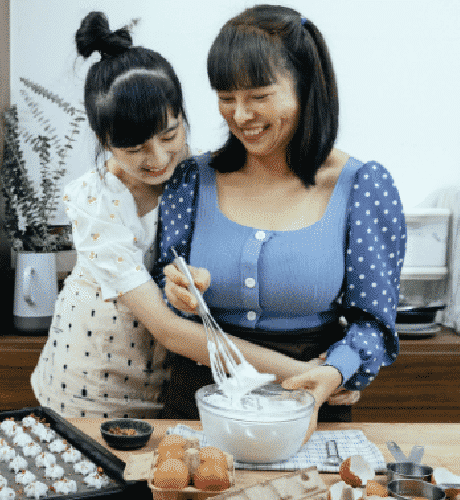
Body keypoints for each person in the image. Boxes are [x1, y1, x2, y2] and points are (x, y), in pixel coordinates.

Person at [31, 10, 330, 419]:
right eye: (134, 149)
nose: (157, 159)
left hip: (165, 390)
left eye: (170, 135)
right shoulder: (95, 202)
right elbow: (169, 330)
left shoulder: (199, 179)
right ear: (105, 143)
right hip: (86, 386)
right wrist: (302, 373)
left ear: (182, 115)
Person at [155, 4, 407, 435]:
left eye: (258, 96)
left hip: (310, 401)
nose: (239, 115)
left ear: (306, 87)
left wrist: (336, 372)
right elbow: (162, 280)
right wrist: (174, 287)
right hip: (198, 403)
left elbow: (374, 324)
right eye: (226, 97)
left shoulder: (362, 186)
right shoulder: (192, 180)